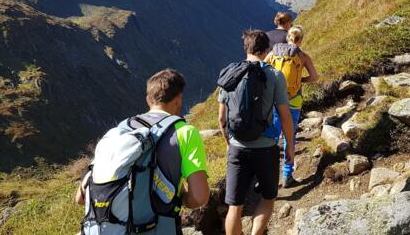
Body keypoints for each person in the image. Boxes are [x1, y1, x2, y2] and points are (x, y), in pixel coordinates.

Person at [76, 69, 209, 235]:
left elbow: (81, 198)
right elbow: (199, 197)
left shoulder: (120, 130)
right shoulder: (185, 132)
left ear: (148, 99)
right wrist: (174, 198)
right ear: (178, 99)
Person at [217, 30, 295, 235]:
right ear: (267, 48)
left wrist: (229, 144)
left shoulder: (229, 74)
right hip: (266, 147)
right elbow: (285, 117)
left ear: (246, 48)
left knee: (235, 205)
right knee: (268, 197)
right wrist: (290, 148)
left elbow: (222, 119)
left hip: (237, 147)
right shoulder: (275, 75)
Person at [267, 25, 318, 188]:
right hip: (294, 99)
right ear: (300, 40)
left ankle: (267, 175)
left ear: (287, 36)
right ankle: (287, 175)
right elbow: (314, 77)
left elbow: (261, 69)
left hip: (276, 99)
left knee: (273, 136)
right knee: (290, 136)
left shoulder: (274, 52)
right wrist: (299, 81)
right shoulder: (302, 56)